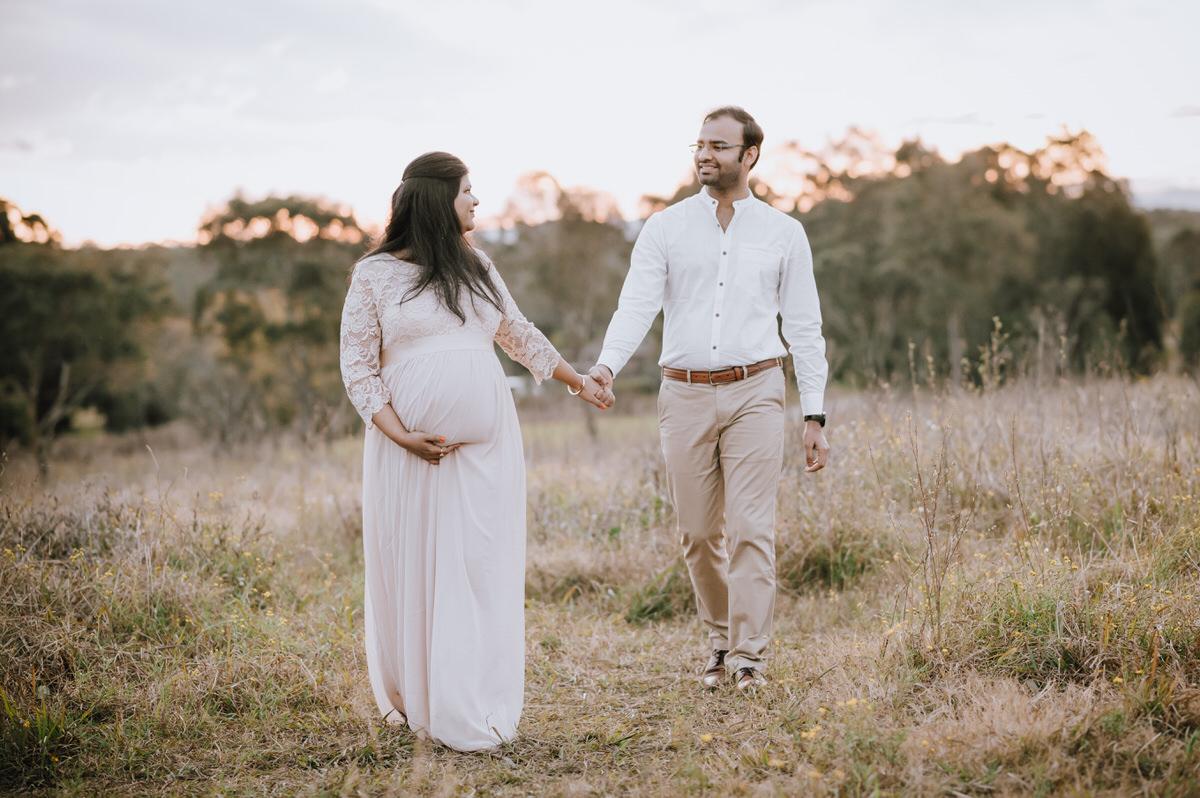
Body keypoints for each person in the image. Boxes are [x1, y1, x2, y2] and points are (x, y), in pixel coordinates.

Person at [339, 151, 610, 751]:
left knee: (477, 569)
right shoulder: (375, 275)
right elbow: (357, 370)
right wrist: (400, 435)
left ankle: (473, 697)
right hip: (407, 452)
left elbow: (518, 335)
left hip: (486, 452)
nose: (476, 201)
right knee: (420, 570)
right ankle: (425, 701)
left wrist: (579, 381)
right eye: (467, 191)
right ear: (439, 200)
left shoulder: (477, 266)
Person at [589, 107, 830, 693]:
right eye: (699, 145)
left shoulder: (783, 232)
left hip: (757, 390)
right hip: (685, 393)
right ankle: (720, 637)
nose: (704, 155)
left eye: (719, 147)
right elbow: (636, 306)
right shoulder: (664, 228)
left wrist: (815, 412)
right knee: (698, 535)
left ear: (749, 156)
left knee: (752, 528)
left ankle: (749, 655)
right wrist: (605, 365)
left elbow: (804, 326)